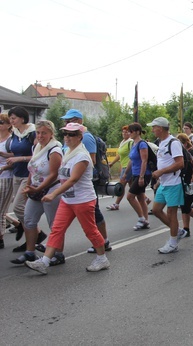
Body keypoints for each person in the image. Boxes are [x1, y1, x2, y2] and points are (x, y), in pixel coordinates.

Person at [24, 123, 110, 274]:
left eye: (71, 134)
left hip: (83, 200)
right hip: (68, 200)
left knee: (90, 230)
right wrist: (40, 188)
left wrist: (53, 194)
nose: (67, 137)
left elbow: (73, 179)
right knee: (57, 229)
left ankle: (102, 258)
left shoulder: (82, 156)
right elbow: (62, 177)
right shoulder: (68, 153)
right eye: (65, 134)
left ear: (79, 137)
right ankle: (44, 262)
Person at [11, 120, 63, 265]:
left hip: (50, 189)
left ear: (51, 134)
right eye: (38, 133)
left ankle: (58, 254)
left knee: (54, 224)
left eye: (44, 133)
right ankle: (30, 252)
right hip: (35, 189)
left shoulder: (55, 150)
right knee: (28, 220)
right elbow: (32, 169)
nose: (40, 136)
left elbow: (53, 174)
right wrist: (27, 187)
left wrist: (38, 189)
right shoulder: (37, 147)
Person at [60, 109, 111, 253]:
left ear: (79, 121)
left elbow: (92, 160)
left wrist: (76, 173)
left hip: (85, 180)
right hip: (71, 180)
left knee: (94, 212)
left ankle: (104, 241)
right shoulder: (69, 137)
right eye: (66, 121)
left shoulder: (86, 137)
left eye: (70, 120)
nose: (67, 123)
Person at [6, 106, 47, 252]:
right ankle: (33, 236)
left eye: (13, 118)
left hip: (27, 175)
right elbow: (13, 154)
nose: (11, 121)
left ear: (22, 118)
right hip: (16, 174)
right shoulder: (15, 134)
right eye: (10, 118)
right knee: (19, 208)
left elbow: (37, 155)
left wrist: (20, 159)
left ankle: (35, 233)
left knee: (18, 207)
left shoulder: (32, 133)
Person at [148, 117, 186, 254]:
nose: (152, 130)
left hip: (173, 184)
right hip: (164, 183)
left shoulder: (173, 142)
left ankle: (173, 242)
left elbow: (180, 163)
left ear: (160, 128)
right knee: (156, 210)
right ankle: (178, 231)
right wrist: (159, 180)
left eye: (154, 127)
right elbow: (164, 161)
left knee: (171, 213)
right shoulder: (161, 142)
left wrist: (161, 171)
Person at [122, 122, 152, 230]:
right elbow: (131, 160)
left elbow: (144, 161)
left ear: (137, 132)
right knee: (140, 197)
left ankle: (141, 219)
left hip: (143, 174)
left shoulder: (142, 144)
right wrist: (126, 173)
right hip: (135, 173)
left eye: (131, 131)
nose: (129, 133)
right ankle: (146, 221)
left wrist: (142, 177)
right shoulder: (134, 144)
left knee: (130, 197)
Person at [106, 125, 133, 211]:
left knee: (121, 185)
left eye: (127, 132)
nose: (124, 133)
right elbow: (119, 155)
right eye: (123, 132)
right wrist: (112, 163)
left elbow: (133, 155)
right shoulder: (123, 142)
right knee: (132, 186)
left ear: (130, 133)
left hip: (128, 167)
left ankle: (116, 204)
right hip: (124, 166)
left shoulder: (130, 142)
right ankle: (145, 199)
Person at [0, 113, 14, 249]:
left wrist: (4, 165)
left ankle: (0, 238)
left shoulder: (10, 141)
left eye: (1, 122)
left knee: (1, 209)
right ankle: (17, 224)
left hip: (5, 177)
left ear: (8, 125)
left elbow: (16, 159)